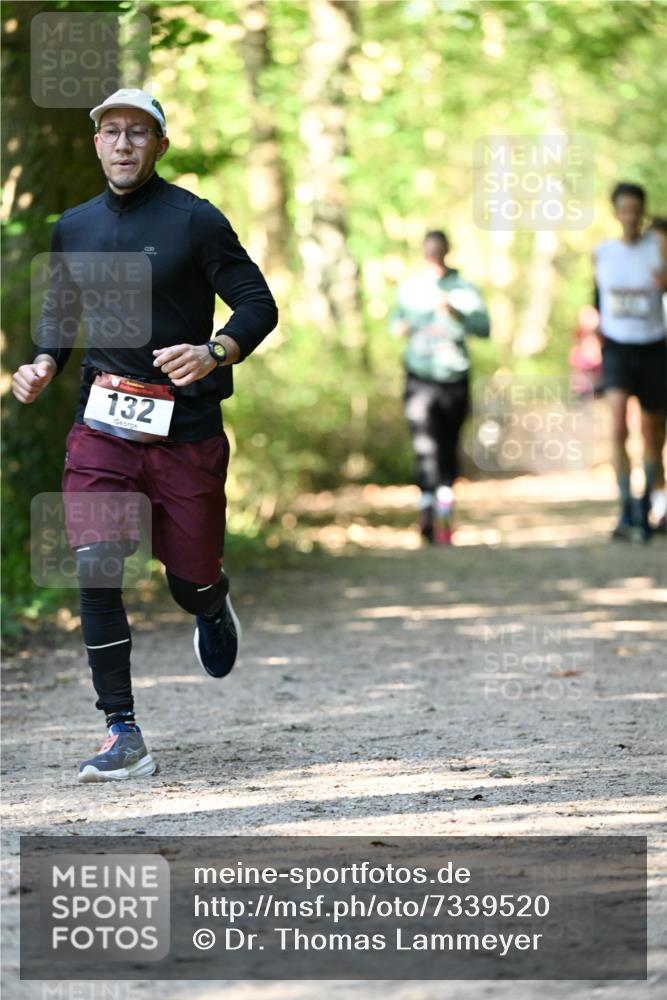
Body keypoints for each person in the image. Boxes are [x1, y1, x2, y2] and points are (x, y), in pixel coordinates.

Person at [11, 89, 278, 781]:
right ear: (96, 143)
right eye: (111, 132)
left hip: (185, 429)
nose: (124, 143)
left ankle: (210, 603)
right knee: (95, 561)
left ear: (160, 144)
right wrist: (43, 360)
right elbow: (60, 310)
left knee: (188, 578)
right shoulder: (73, 226)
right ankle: (121, 730)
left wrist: (216, 350)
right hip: (103, 422)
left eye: (138, 132)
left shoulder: (193, 220)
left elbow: (256, 303)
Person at [391, 230, 490, 543]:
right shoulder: (411, 287)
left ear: (447, 251)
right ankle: (426, 512)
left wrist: (456, 312)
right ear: (423, 252)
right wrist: (402, 326)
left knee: (447, 447)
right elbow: (395, 324)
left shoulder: (464, 289)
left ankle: (445, 516)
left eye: (439, 250)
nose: (434, 255)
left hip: (454, 377)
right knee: (424, 445)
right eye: (429, 250)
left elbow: (484, 328)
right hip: (419, 376)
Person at [593, 183, 667, 542]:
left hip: (654, 346)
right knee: (618, 424)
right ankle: (625, 505)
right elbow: (595, 300)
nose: (631, 216)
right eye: (624, 209)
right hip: (617, 348)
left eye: (636, 209)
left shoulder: (658, 249)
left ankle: (646, 502)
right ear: (615, 211)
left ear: (642, 211)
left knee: (652, 431)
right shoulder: (602, 253)